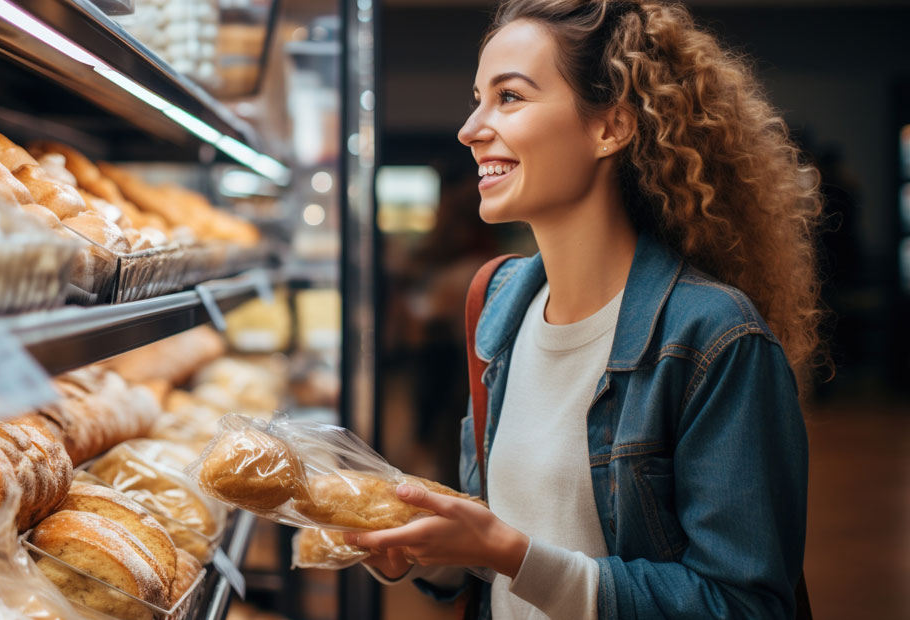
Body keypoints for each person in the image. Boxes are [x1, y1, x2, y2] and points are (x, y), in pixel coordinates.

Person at [344, 1, 824, 618]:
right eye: (477, 98)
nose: (470, 129)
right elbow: (498, 544)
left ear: (610, 128)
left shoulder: (713, 337)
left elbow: (745, 604)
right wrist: (427, 551)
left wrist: (514, 556)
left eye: (509, 97)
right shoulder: (496, 304)